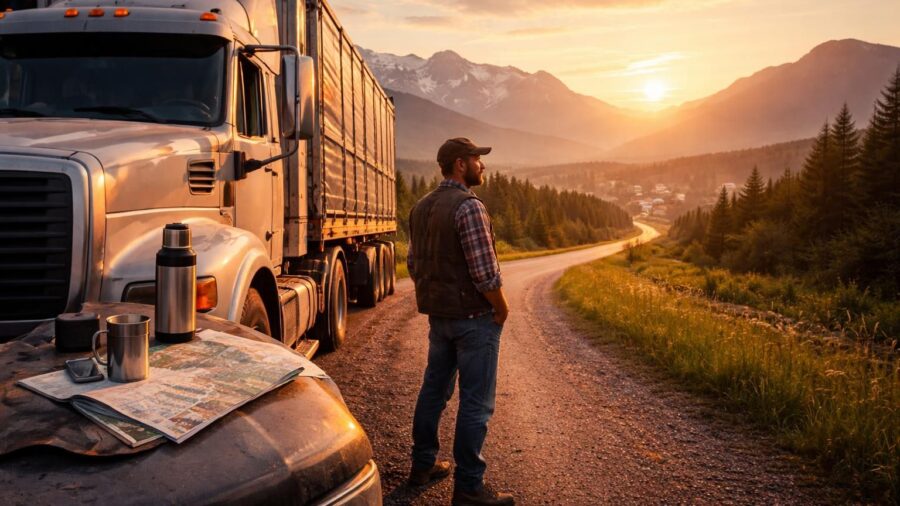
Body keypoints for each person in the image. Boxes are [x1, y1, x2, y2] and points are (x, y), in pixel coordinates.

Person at [406, 137, 514, 506]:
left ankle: (422, 466)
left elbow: (413, 265)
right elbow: (485, 274)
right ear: (459, 164)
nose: (482, 165)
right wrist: (501, 308)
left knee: (433, 392)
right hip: (473, 320)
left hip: (440, 319)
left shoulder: (420, 207)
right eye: (475, 159)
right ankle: (469, 488)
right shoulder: (469, 207)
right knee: (476, 404)